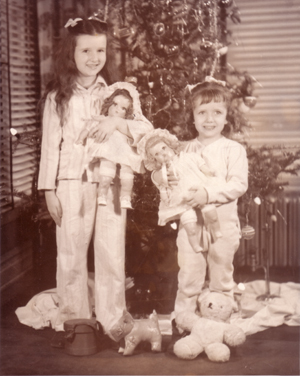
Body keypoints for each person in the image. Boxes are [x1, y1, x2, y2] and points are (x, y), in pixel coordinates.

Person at [37, 16, 153, 346]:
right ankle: (76, 320)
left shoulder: (117, 93)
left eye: (99, 50)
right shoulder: (58, 97)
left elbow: (144, 129)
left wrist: (117, 124)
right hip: (71, 183)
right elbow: (50, 146)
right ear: (70, 54)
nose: (93, 58)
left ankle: (113, 318)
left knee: (111, 252)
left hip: (111, 183)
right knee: (71, 253)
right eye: (85, 50)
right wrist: (48, 190)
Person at [156, 77, 248, 338]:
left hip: (223, 225)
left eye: (217, 112)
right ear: (193, 117)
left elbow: (238, 184)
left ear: (226, 117)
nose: (210, 119)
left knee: (221, 274)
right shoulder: (182, 149)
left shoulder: (233, 149)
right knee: (189, 274)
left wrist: (208, 193)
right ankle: (184, 323)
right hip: (191, 225)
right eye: (202, 113)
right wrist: (164, 177)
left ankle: (223, 324)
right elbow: (160, 170)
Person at [137, 128, 223, 253]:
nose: (163, 154)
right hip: (182, 201)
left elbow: (204, 169)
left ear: (170, 146)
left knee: (211, 214)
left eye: (164, 148)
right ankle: (195, 245)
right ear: (154, 160)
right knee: (190, 227)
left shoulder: (190, 157)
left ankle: (216, 230)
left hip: (199, 192)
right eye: (157, 154)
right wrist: (165, 192)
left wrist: (210, 174)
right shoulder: (163, 172)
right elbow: (163, 189)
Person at [76, 83, 145, 210]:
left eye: (123, 108)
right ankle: (101, 195)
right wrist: (81, 138)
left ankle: (126, 198)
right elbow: (88, 126)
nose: (117, 109)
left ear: (127, 112)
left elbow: (143, 130)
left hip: (125, 153)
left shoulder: (127, 123)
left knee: (127, 177)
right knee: (106, 174)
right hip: (108, 152)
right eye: (114, 104)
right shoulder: (102, 119)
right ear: (108, 104)